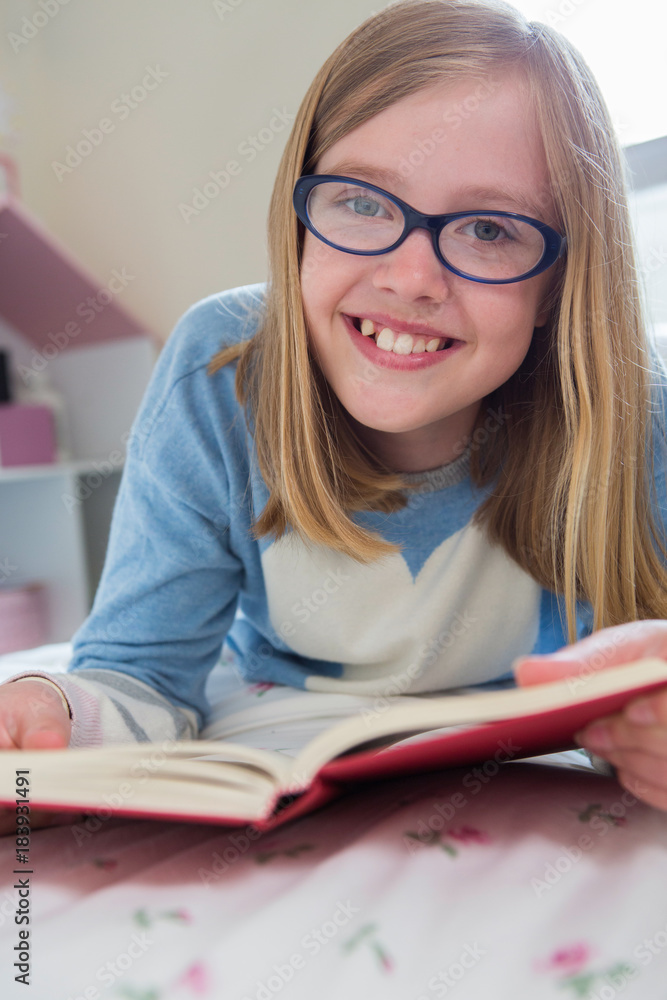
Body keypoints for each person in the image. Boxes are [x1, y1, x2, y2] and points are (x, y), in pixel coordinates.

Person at [2, 0, 667, 814]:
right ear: (301, 216)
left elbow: (638, 671)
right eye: (360, 201)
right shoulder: (221, 369)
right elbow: (139, 674)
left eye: (489, 229)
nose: (411, 277)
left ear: (556, 285)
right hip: (272, 733)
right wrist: (56, 713)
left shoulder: (632, 407)